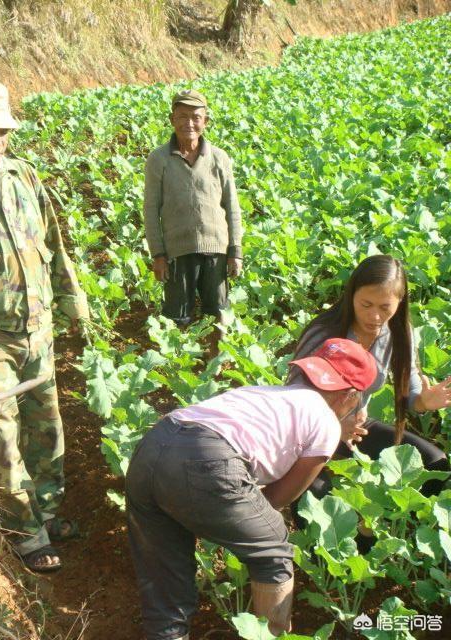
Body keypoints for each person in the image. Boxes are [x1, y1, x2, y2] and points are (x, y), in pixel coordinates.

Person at [126, 338, 377, 640]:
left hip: (153, 447)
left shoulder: (264, 393)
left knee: (165, 575)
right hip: (207, 457)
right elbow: (277, 499)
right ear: (352, 395)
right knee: (273, 551)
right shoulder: (326, 423)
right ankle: (270, 636)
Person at [0, 78, 89, 572]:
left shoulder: (24, 176)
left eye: (0, 131)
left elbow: (54, 245)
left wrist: (74, 302)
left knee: (47, 431)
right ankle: (23, 532)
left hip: (37, 331)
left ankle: (45, 512)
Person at [288, 254, 450, 504]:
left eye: (385, 307)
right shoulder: (324, 333)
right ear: (351, 295)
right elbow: (292, 400)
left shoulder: (399, 333)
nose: (374, 316)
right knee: (318, 499)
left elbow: (412, 395)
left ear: (400, 301)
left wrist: (424, 402)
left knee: (435, 464)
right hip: (309, 434)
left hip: (358, 428)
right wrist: (332, 428)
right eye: (366, 304)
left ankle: (382, 529)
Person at [143, 89, 243, 350]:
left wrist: (236, 251)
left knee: (218, 312)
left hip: (216, 250)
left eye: (196, 117)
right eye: (182, 116)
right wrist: (158, 255)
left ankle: (215, 360)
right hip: (178, 250)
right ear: (171, 120)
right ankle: (179, 362)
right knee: (177, 313)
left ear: (205, 121)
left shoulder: (219, 158)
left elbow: (232, 206)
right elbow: (151, 210)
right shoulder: (159, 159)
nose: (189, 123)